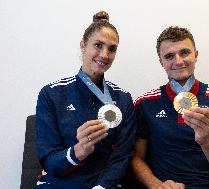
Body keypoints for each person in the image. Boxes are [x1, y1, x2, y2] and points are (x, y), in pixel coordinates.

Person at [35, 11, 136, 189]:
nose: (105, 55)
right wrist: (77, 151)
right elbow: (48, 160)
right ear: (83, 45)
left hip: (103, 185)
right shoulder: (51, 94)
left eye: (112, 49)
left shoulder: (123, 99)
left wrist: (101, 187)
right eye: (98, 45)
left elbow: (122, 156)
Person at [131, 26, 209, 189]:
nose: (178, 61)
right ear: (161, 62)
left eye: (184, 53)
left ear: (196, 55)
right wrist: (157, 186)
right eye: (169, 56)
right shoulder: (145, 103)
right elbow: (135, 157)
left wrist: (206, 141)